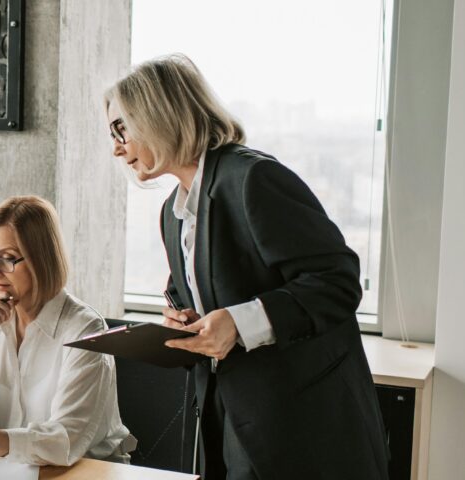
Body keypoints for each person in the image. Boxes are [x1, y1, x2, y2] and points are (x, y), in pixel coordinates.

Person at [104, 54, 388, 479]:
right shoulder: (173, 212)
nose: (116, 147)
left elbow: (339, 282)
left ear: (157, 114)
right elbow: (202, 292)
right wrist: (184, 320)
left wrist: (238, 324)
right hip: (231, 421)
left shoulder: (253, 179)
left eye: (120, 128)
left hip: (304, 429)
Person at [0, 196, 135, 466]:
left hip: (85, 471)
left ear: (42, 259)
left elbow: (66, 439)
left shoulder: (85, 329)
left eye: (8, 259)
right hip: (9, 470)